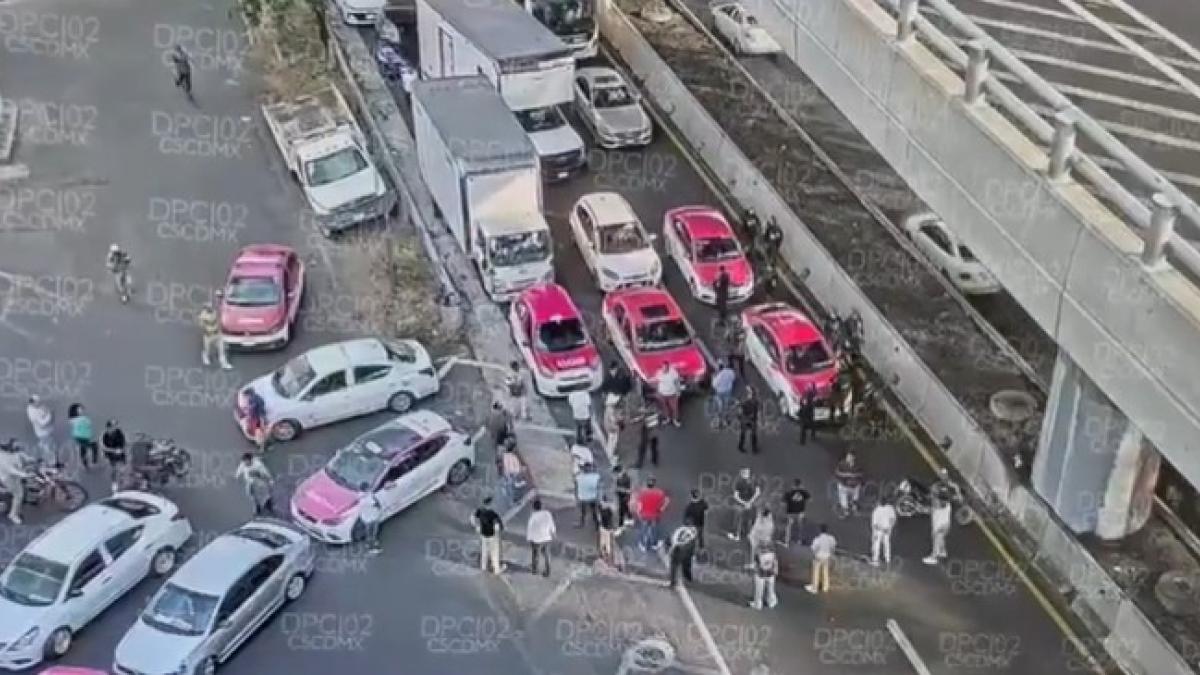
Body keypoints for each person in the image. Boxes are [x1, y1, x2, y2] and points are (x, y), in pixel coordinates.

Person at [472, 497, 505, 574]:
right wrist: (500, 529)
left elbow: (472, 518)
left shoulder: (479, 511)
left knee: (484, 551)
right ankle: (496, 569)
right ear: (490, 504)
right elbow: (499, 524)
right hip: (492, 535)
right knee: (494, 552)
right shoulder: (493, 513)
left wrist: (476, 526)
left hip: (483, 535)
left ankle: (483, 567)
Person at [636, 477, 669, 551]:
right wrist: (662, 509)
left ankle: (643, 544)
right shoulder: (659, 492)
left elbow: (639, 506)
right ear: (654, 484)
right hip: (655, 515)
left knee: (643, 529)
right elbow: (666, 501)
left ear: (646, 484)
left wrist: (639, 513)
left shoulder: (642, 493)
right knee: (654, 529)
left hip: (644, 515)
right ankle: (654, 544)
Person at [727, 468, 760, 542]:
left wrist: (750, 502)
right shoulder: (738, 482)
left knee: (755, 514)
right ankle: (736, 534)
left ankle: (751, 534)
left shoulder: (754, 481)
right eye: (744, 472)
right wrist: (744, 503)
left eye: (747, 472)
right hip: (741, 503)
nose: (746, 474)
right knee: (738, 513)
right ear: (741, 474)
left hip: (751, 502)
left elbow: (758, 492)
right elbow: (736, 496)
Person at [0, 442, 30, 524]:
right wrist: (24, 474)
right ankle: (13, 514)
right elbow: (10, 469)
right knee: (18, 495)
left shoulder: (12, 454)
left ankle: (15, 512)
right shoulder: (2, 457)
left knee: (19, 495)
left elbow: (20, 462)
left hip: (14, 478)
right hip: (8, 478)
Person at [197, 302, 232, 370]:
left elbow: (218, 321)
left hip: (217, 334)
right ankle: (205, 355)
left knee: (221, 349)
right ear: (206, 308)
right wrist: (205, 331)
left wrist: (220, 330)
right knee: (207, 349)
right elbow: (201, 325)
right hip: (208, 335)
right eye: (209, 308)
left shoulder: (215, 312)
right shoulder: (203, 316)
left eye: (211, 307)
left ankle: (224, 363)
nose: (211, 309)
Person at [526, 498, 555, 576]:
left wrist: (529, 539)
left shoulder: (533, 517)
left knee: (536, 554)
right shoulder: (547, 513)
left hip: (536, 540)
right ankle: (548, 570)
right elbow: (551, 524)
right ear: (541, 506)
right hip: (547, 538)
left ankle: (535, 569)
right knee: (546, 554)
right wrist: (553, 533)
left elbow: (530, 529)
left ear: (534, 508)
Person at [667, 518, 698, 588]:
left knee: (673, 566)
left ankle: (673, 581)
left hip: (676, 547)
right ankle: (688, 578)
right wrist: (693, 553)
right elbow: (693, 542)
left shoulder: (679, 529)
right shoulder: (693, 531)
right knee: (686, 564)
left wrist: (670, 546)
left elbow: (672, 537)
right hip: (684, 549)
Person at [25, 396, 56, 466]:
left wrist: (48, 412)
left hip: (47, 432)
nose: (40, 403)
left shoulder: (38, 406)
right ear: (33, 403)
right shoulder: (33, 413)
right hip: (43, 433)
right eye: (37, 402)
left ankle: (48, 461)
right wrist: (50, 415)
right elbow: (42, 423)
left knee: (48, 446)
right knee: (48, 448)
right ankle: (50, 463)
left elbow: (44, 409)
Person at [806, 524, 837, 594]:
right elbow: (833, 547)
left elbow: (814, 548)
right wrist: (831, 554)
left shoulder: (818, 539)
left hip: (819, 557)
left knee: (816, 572)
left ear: (820, 530)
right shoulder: (831, 538)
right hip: (827, 557)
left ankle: (815, 588)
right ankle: (825, 588)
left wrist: (814, 555)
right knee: (826, 572)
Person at [781, 479, 810, 546]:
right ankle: (799, 540)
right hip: (800, 512)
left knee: (789, 526)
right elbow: (810, 499)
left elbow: (783, 502)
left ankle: (787, 541)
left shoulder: (789, 492)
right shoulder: (803, 492)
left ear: (793, 484)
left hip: (791, 512)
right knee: (800, 527)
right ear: (800, 484)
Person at [67, 403, 97, 469]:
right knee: (92, 447)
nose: (82, 410)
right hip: (81, 437)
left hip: (84, 437)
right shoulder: (77, 419)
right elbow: (87, 424)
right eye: (80, 409)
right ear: (76, 410)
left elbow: (88, 426)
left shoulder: (77, 419)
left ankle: (87, 463)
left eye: (82, 409)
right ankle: (91, 462)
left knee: (84, 449)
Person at [834, 451, 864, 515]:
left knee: (857, 491)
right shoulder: (842, 464)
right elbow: (837, 473)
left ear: (854, 457)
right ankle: (845, 508)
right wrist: (846, 474)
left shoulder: (858, 465)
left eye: (850, 457)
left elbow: (861, 474)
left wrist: (855, 475)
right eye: (847, 456)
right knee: (843, 494)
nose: (848, 458)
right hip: (844, 485)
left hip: (854, 485)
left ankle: (854, 503)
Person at [750, 544, 779, 609]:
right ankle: (771, 601)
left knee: (759, 588)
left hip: (761, 571)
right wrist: (776, 569)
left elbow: (757, 563)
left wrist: (754, 567)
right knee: (770, 587)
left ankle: (758, 604)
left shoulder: (758, 550)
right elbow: (775, 561)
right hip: (770, 570)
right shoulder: (772, 550)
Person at [101, 420, 127, 493]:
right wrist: (113, 451)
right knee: (114, 470)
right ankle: (114, 483)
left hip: (121, 455)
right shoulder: (105, 435)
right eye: (112, 426)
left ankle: (122, 479)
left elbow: (124, 443)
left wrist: (122, 449)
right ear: (108, 427)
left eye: (115, 426)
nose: (114, 428)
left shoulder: (119, 433)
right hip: (112, 456)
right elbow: (104, 447)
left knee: (122, 469)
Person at [924, 497, 952, 565]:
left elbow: (928, 510)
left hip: (940, 527)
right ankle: (942, 552)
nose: (934, 501)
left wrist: (920, 508)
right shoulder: (947, 505)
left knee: (936, 540)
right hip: (944, 526)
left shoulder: (938, 507)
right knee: (940, 539)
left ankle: (933, 557)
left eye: (936, 501)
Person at [871, 497, 898, 566]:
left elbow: (874, 523)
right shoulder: (890, 509)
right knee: (886, 544)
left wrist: (875, 531)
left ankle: (875, 559)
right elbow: (893, 520)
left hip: (879, 530)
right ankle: (887, 559)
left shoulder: (876, 510)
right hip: (887, 529)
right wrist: (890, 528)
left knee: (877, 544)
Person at [575, 463, 601, 529]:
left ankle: (597, 524)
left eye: (589, 468)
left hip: (592, 497)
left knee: (594, 512)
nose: (588, 469)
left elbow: (598, 487)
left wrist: (598, 497)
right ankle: (582, 523)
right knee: (583, 512)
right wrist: (577, 497)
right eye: (586, 468)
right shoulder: (579, 476)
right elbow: (576, 487)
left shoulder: (595, 476)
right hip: (584, 497)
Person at [710, 361, 736, 426]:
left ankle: (720, 419)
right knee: (727, 404)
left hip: (720, 392)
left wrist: (713, 378)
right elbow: (733, 378)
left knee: (720, 405)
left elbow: (714, 385)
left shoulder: (718, 377)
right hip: (728, 390)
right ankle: (726, 419)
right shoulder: (729, 371)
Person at [635, 404, 660, 468]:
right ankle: (655, 461)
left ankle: (639, 464)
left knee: (642, 448)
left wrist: (640, 416)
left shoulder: (649, 411)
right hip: (655, 431)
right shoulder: (655, 409)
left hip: (648, 431)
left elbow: (645, 416)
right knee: (653, 446)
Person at [243, 387, 268, 451]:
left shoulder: (257, 401)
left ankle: (262, 446)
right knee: (256, 432)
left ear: (250, 394)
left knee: (258, 433)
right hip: (254, 418)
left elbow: (260, 412)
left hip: (257, 419)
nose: (246, 398)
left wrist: (262, 421)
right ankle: (260, 444)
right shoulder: (252, 399)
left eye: (246, 396)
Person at [737, 387, 760, 454]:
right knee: (749, 434)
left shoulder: (753, 402)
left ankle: (749, 448)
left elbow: (757, 411)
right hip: (748, 420)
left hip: (747, 420)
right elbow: (740, 412)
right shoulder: (751, 402)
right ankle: (753, 448)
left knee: (749, 434)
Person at [602, 393, 623, 459]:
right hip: (612, 428)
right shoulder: (610, 409)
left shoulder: (607, 409)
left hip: (609, 427)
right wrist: (617, 425)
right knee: (612, 443)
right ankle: (610, 456)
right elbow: (612, 420)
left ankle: (610, 455)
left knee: (611, 442)